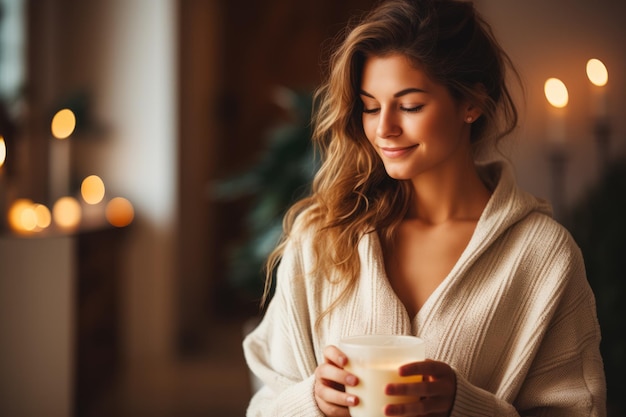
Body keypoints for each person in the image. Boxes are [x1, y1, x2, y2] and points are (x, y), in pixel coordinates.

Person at [242, 0, 607, 416]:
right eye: (371, 106)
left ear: (471, 103)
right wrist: (313, 402)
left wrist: (464, 406)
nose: (384, 129)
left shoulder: (543, 255)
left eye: (410, 105)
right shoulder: (322, 235)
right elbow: (265, 404)